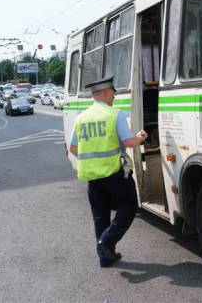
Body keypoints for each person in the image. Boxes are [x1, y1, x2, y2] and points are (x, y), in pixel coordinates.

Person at [68, 76, 148, 267]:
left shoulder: (81, 118)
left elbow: (73, 148)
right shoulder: (115, 114)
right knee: (129, 206)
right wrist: (140, 136)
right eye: (113, 92)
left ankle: (105, 256)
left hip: (92, 175)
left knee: (100, 215)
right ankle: (107, 241)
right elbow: (129, 142)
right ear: (105, 93)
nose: (114, 96)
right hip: (114, 171)